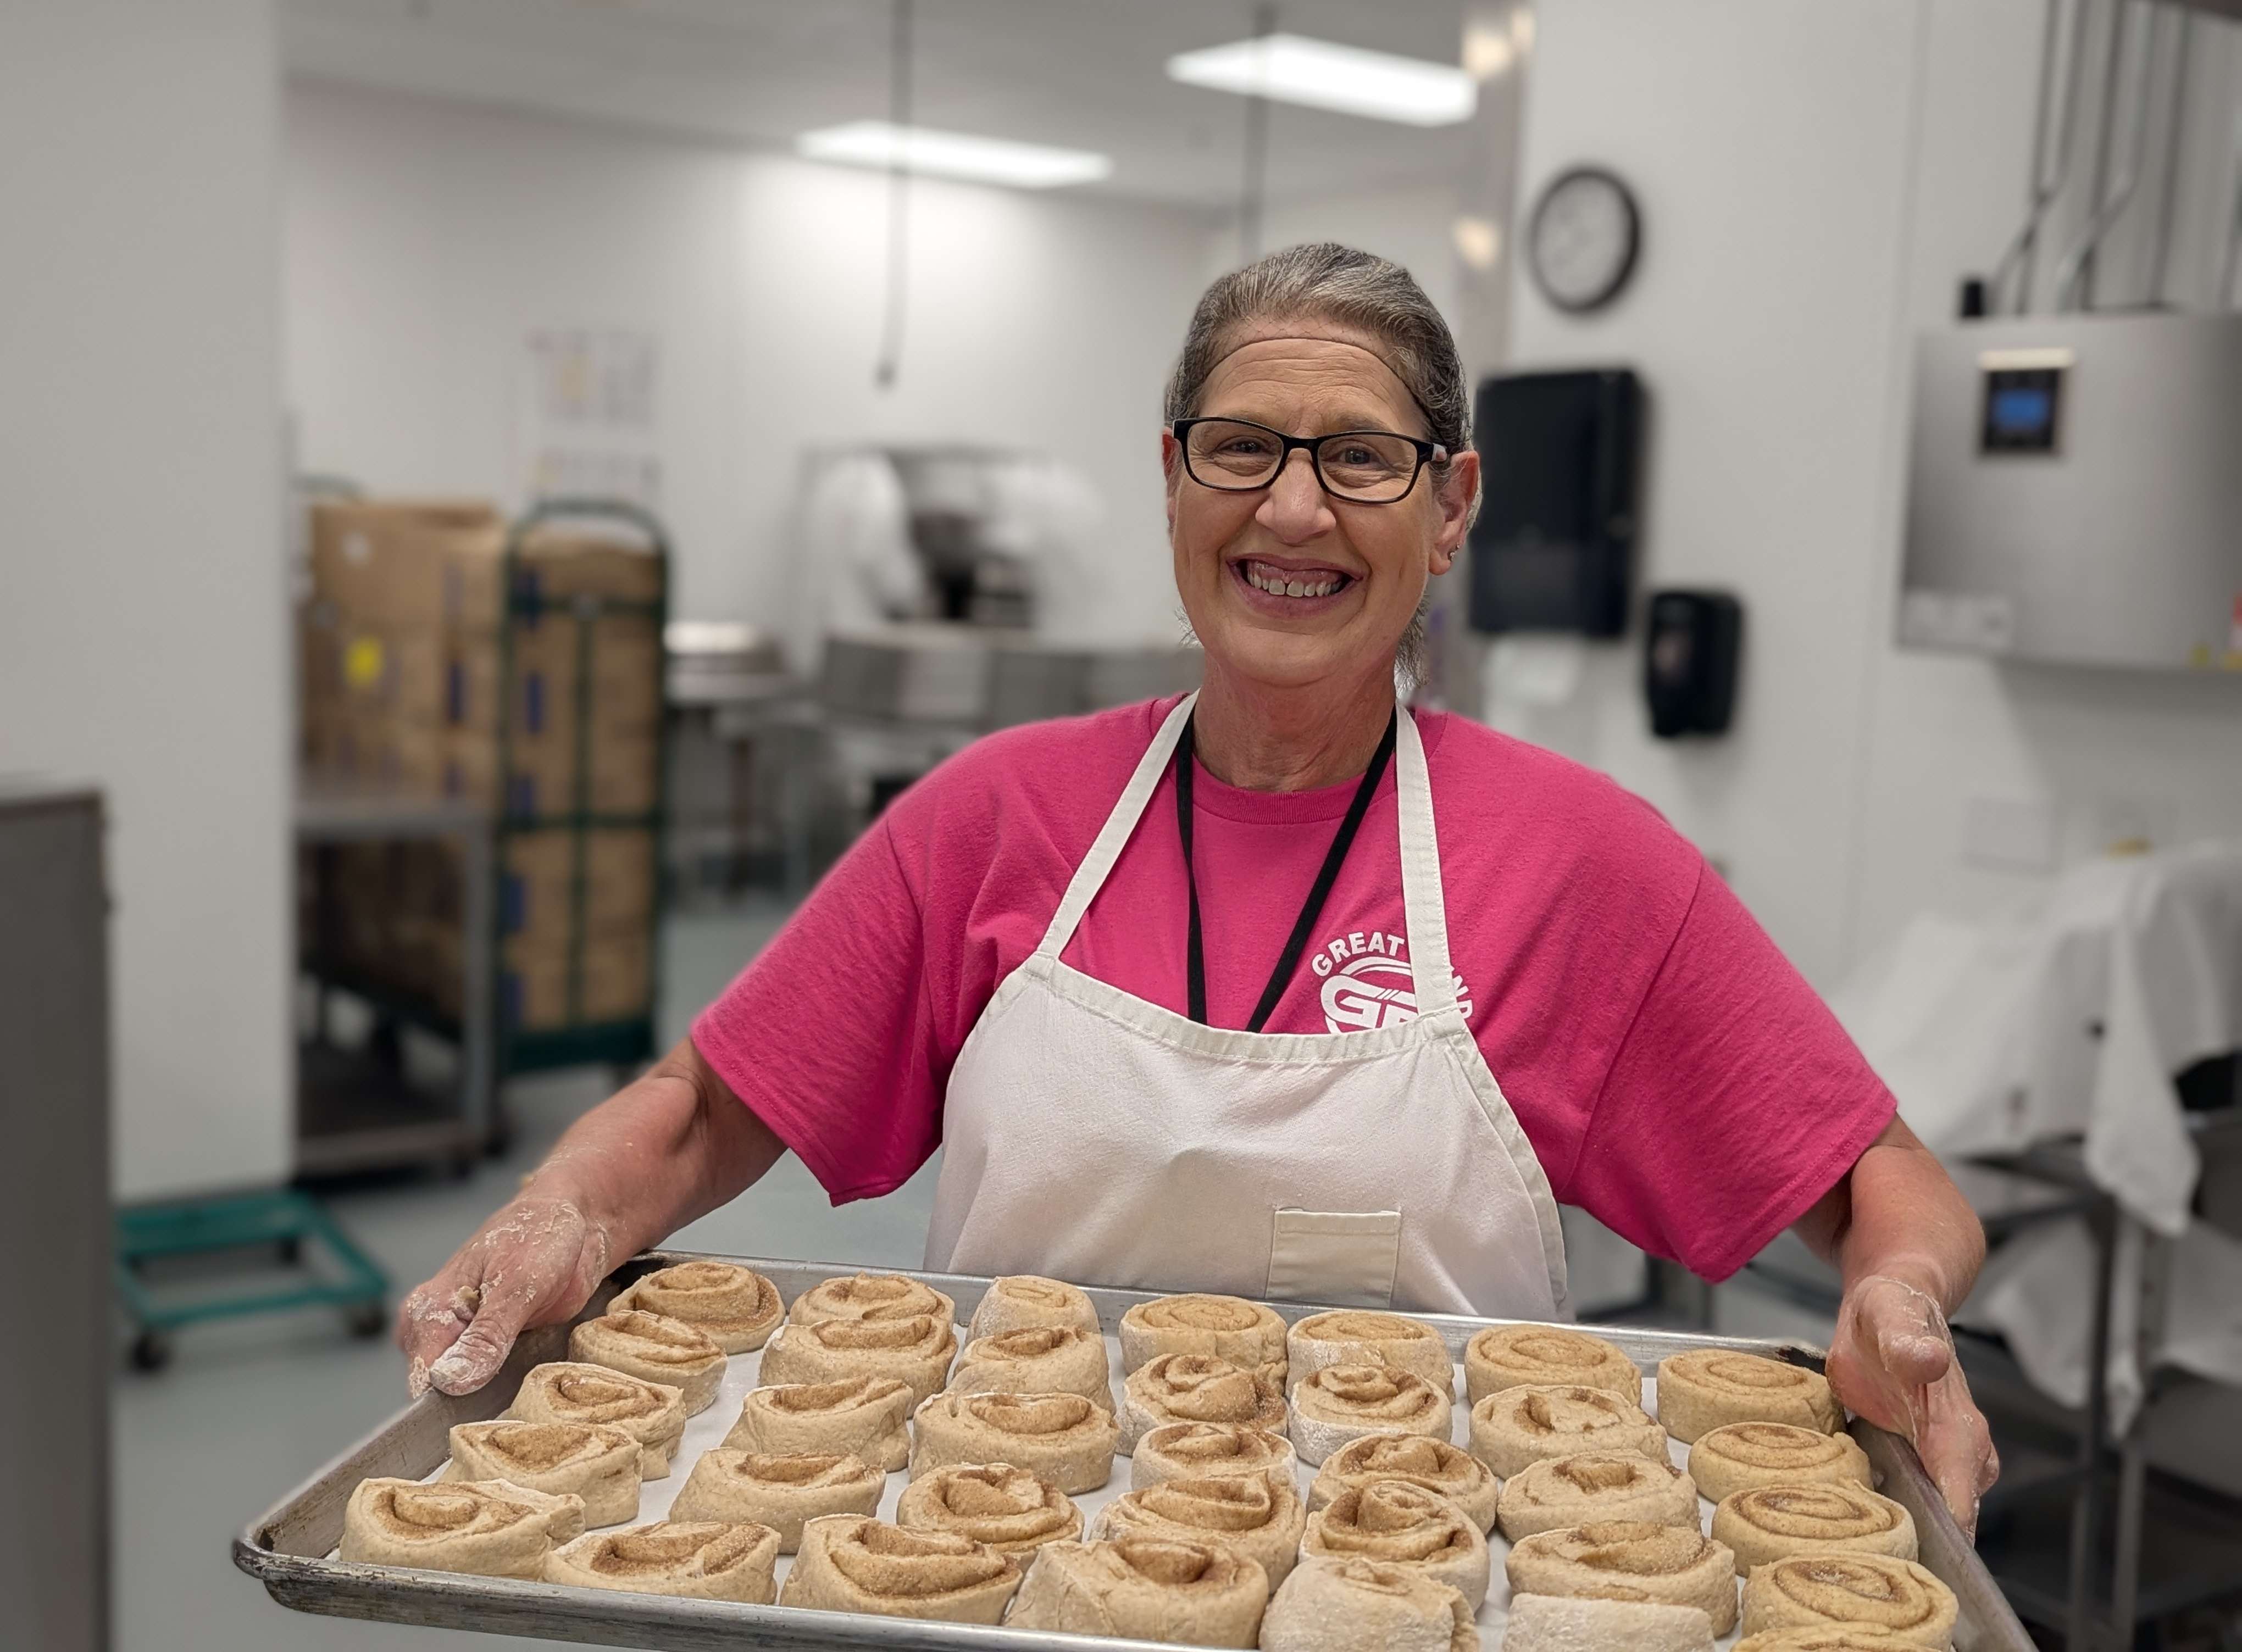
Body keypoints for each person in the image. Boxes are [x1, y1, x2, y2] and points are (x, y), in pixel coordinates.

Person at [398, 242, 1999, 1532]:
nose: (1292, 510)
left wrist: (1900, 1298)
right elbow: (700, 1109)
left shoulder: (1583, 864)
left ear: (1453, 512)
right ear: (1172, 480)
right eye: (1242, 448)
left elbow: (1888, 1190)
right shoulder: (995, 815)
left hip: (1421, 1575)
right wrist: (562, 1215)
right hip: (994, 1558)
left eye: (1364, 459)